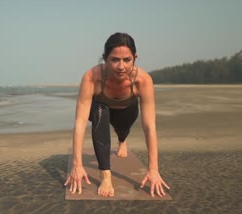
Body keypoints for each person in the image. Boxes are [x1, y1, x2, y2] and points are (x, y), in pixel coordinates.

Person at [64, 32, 170, 197]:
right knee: (100, 110)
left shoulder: (143, 80)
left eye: (127, 60)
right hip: (100, 110)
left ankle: (122, 140)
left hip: (126, 111)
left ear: (134, 58)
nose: (121, 67)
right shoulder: (92, 77)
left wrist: (153, 170)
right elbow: (80, 121)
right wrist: (77, 165)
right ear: (105, 58)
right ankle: (105, 174)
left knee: (123, 130)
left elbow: (150, 127)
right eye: (115, 60)